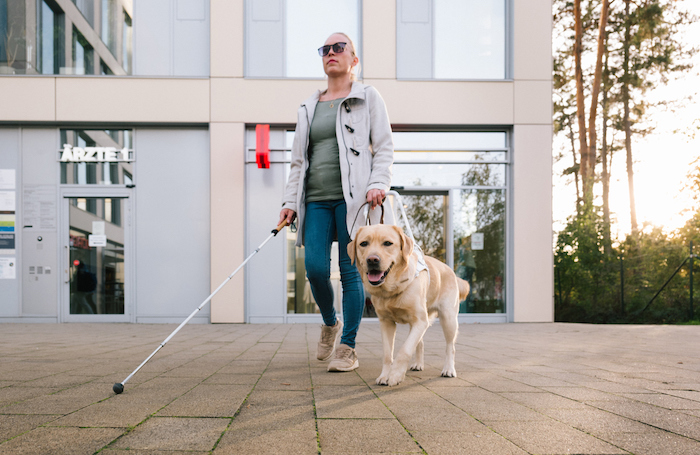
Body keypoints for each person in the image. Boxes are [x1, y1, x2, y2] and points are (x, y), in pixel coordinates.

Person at [279, 32, 394, 372]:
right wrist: (290, 202)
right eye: (325, 49)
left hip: (353, 200)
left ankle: (348, 347)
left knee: (350, 271)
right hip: (314, 200)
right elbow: (298, 162)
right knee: (314, 268)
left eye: (339, 47)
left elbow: (384, 147)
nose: (331, 53)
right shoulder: (309, 107)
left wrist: (377, 183)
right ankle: (331, 323)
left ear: (353, 60)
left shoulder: (368, 97)